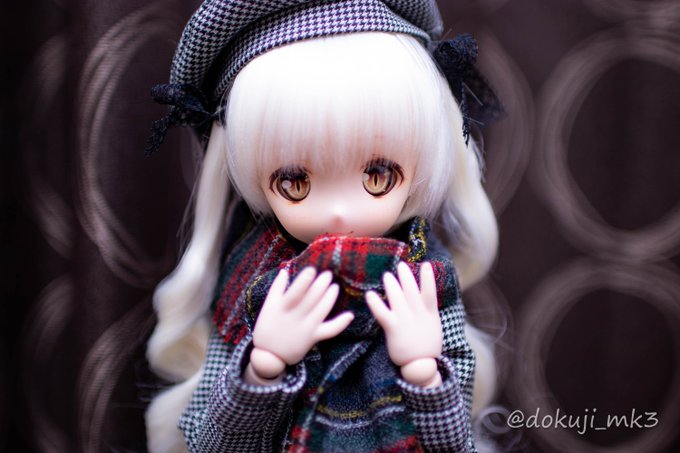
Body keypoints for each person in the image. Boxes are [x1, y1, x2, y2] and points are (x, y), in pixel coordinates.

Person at [144, 1, 501, 451]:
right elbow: (209, 444)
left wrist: (425, 374)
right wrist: (263, 366)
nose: (338, 213)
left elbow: (455, 445)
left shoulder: (424, 280)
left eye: (378, 176)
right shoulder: (254, 284)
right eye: (295, 182)